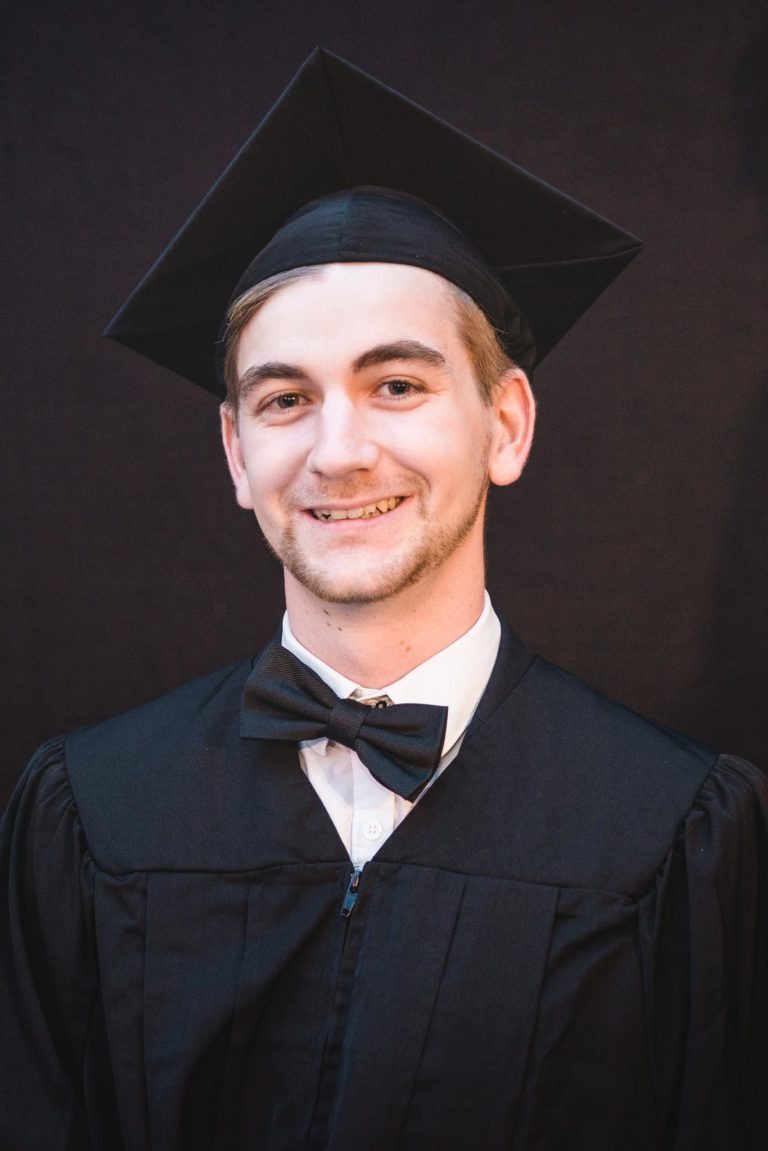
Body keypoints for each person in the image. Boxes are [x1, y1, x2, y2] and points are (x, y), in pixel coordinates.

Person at [1, 49, 766, 1151]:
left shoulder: (669, 832)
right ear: (233, 448)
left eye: (396, 383)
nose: (339, 451)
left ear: (505, 424)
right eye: (283, 398)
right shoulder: (90, 812)